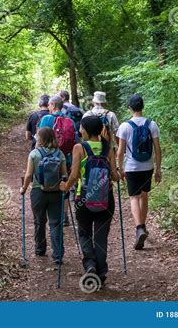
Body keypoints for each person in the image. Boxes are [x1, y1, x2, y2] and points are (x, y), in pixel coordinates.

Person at [60, 116, 120, 285]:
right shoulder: (108, 148)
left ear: (86, 130)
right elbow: (115, 176)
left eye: (81, 129)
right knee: (101, 238)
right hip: (106, 199)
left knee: (84, 233)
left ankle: (90, 264)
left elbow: (73, 175)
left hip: (83, 199)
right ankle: (101, 273)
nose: (80, 131)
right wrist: (118, 174)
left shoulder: (79, 148)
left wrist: (65, 186)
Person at [116, 94, 162, 250]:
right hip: (147, 167)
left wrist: (120, 168)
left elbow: (120, 152)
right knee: (144, 195)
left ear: (130, 107)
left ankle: (139, 228)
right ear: (143, 106)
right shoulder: (152, 124)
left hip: (132, 168)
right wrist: (158, 169)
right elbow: (157, 148)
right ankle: (143, 225)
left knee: (134, 198)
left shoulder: (124, 126)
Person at [20, 127, 68, 264]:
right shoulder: (60, 154)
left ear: (40, 138)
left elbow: (29, 175)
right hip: (56, 193)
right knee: (56, 224)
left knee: (39, 221)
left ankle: (40, 249)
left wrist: (23, 189)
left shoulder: (34, 154)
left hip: (38, 192)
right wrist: (64, 187)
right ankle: (58, 255)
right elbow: (65, 175)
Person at [39, 95, 76, 226]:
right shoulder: (69, 121)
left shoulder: (46, 119)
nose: (48, 107)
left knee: (47, 185)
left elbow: (40, 140)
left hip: (48, 159)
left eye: (49, 105)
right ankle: (64, 215)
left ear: (53, 105)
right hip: (65, 157)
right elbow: (75, 140)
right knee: (64, 184)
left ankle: (51, 214)